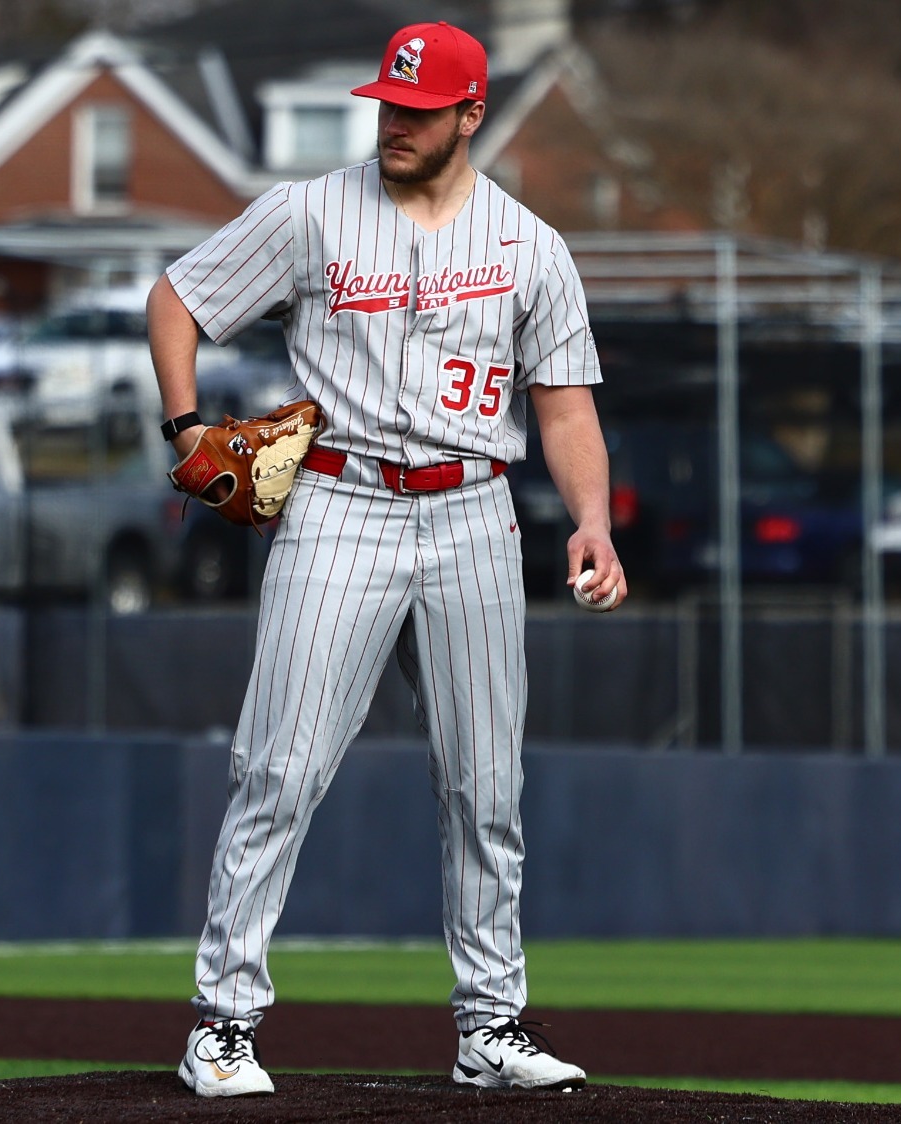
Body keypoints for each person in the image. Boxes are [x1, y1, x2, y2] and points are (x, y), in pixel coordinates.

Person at [148, 19, 625, 1098]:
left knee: (484, 784)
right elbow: (176, 296)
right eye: (386, 104)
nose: (393, 122)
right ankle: (222, 1022)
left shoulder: (528, 245)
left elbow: (564, 406)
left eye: (417, 109)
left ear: (469, 114)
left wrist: (589, 520)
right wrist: (183, 425)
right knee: (278, 767)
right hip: (338, 502)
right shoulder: (310, 213)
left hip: (473, 516)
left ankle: (488, 1024)